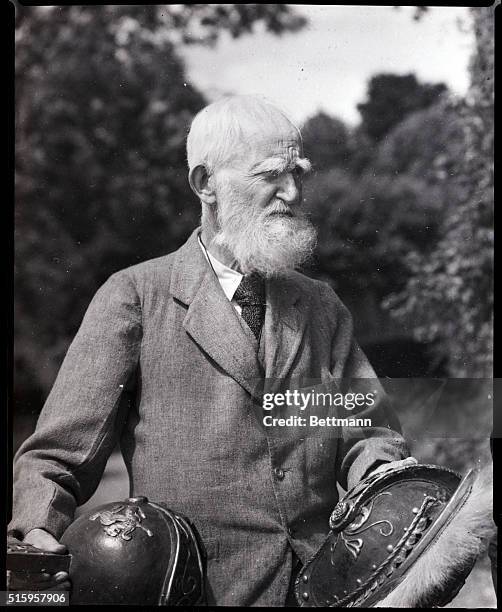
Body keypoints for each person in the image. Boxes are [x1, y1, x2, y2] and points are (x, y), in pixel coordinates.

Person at [8, 95, 413, 606]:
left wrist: (381, 474)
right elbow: (56, 455)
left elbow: (364, 429)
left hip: (325, 589)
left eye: (299, 173)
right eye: (271, 174)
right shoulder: (135, 295)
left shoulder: (319, 305)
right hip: (195, 593)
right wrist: (38, 532)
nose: (292, 191)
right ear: (205, 184)